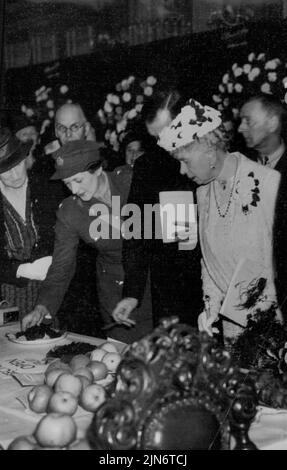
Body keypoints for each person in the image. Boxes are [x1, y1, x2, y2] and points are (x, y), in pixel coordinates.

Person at [157, 98, 282, 340]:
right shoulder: (203, 192)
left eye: (185, 161)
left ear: (209, 152)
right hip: (232, 324)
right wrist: (211, 307)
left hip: (272, 323)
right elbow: (209, 258)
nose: (182, 171)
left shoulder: (267, 182)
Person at [22, 140, 153, 343]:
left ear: (98, 168)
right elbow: (61, 266)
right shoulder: (71, 211)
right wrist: (43, 306)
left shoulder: (133, 180)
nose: (74, 190)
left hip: (156, 284)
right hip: (117, 297)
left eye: (78, 180)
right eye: (67, 183)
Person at [112, 90, 203, 329]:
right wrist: (132, 292)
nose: (163, 143)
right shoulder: (148, 166)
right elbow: (136, 232)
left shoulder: (216, 159)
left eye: (168, 133)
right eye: (156, 137)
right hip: (170, 289)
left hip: (214, 281)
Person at [0, 128, 60, 319]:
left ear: (25, 158)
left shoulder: (47, 187)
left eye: (17, 165)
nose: (14, 175)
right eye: (5, 170)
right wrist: (19, 269)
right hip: (10, 290)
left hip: (52, 286)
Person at [238, 93, 287, 173]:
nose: (240, 128)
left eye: (248, 121)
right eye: (241, 121)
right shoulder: (239, 160)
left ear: (272, 124)